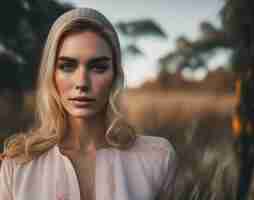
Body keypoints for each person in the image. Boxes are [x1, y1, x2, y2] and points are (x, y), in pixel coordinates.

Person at [0, 8, 177, 200]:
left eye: (98, 67)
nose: (82, 83)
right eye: (67, 66)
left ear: (115, 75)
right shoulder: (17, 166)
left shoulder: (157, 158)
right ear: (51, 74)